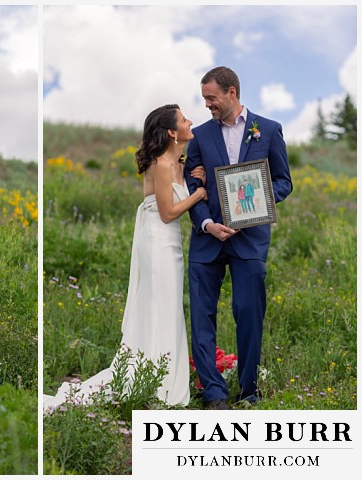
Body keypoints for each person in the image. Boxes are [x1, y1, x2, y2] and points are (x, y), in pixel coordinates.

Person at [43, 104, 206, 411]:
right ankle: (154, 383)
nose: (190, 122)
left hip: (170, 246)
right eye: (184, 120)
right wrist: (199, 194)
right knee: (159, 308)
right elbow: (169, 213)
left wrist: (195, 179)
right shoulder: (158, 164)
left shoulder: (178, 165)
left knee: (168, 309)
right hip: (157, 243)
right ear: (173, 132)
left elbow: (177, 196)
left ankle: (163, 379)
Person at [184, 66, 292, 410]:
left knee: (248, 312)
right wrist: (206, 224)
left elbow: (283, 181)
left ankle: (249, 390)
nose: (207, 105)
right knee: (202, 315)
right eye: (204, 99)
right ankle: (213, 392)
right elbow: (191, 185)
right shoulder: (199, 135)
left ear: (232, 92)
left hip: (250, 240)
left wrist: (255, 204)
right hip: (207, 239)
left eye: (211, 98)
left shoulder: (269, 131)